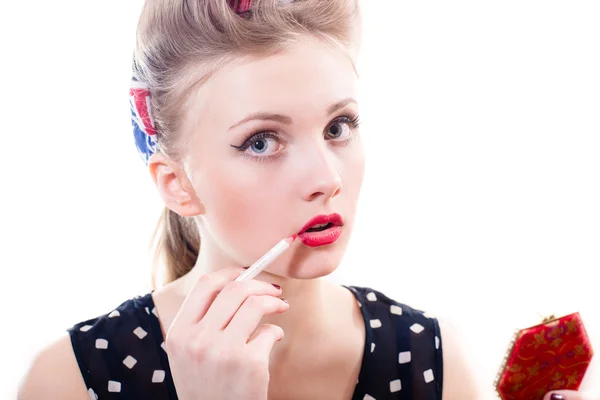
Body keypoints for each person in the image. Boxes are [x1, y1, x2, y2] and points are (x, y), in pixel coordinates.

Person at [15, 0, 594, 399]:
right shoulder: (69, 380)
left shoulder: (437, 368)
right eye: (261, 141)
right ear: (176, 183)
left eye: (339, 126)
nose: (325, 177)